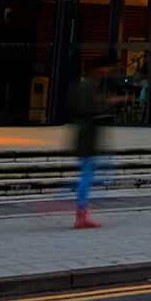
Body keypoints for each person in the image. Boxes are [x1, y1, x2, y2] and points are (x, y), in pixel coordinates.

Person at [68, 72, 119, 229]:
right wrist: (108, 102)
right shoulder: (88, 88)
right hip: (87, 142)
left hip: (87, 141)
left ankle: (82, 213)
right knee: (87, 177)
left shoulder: (86, 88)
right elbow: (95, 109)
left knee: (88, 175)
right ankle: (81, 215)